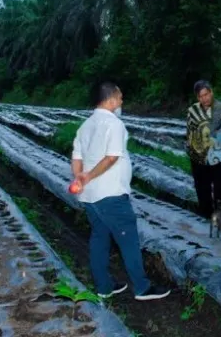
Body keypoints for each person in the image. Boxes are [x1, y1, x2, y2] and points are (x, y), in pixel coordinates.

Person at [70, 81, 170, 301]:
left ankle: (104, 287)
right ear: (111, 99)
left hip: (89, 196)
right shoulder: (113, 124)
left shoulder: (85, 125)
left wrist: (80, 177)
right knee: (129, 240)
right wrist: (88, 176)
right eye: (120, 97)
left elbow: (77, 157)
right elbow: (112, 157)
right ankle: (142, 288)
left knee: (100, 238)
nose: (122, 102)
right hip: (111, 195)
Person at [185, 80, 221, 235]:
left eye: (207, 94)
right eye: (201, 96)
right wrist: (191, 151)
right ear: (197, 97)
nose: (205, 98)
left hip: (220, 155)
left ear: (211, 92)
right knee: (202, 189)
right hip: (199, 157)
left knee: (220, 187)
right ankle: (207, 216)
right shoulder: (192, 111)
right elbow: (189, 133)